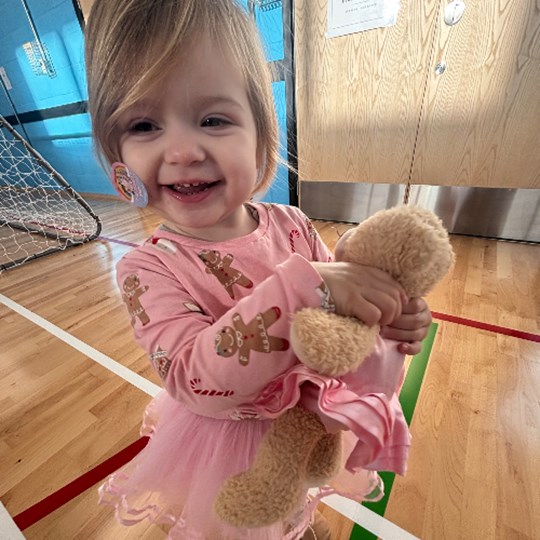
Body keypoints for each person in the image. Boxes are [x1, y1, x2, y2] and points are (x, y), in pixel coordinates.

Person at [85, 1, 432, 538]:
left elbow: (339, 323)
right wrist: (306, 290)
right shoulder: (146, 269)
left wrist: (387, 316)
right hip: (231, 447)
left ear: (260, 135)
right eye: (144, 124)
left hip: (303, 425)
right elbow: (193, 379)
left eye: (213, 119)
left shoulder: (291, 222)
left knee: (293, 501)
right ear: (117, 157)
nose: (182, 150)